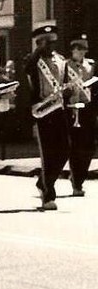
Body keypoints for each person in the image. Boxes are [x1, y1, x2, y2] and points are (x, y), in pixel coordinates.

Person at [25, 25, 69, 210]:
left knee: (65, 149)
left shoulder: (61, 61)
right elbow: (29, 85)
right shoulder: (34, 61)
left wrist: (68, 91)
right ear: (39, 43)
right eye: (46, 41)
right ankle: (49, 194)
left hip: (59, 110)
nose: (51, 45)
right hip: (43, 111)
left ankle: (44, 182)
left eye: (53, 41)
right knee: (48, 153)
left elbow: (64, 83)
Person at [64, 33, 96, 197]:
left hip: (87, 109)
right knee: (76, 147)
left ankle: (79, 176)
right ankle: (77, 182)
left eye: (84, 49)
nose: (82, 52)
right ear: (73, 50)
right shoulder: (65, 67)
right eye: (79, 49)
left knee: (89, 147)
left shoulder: (91, 66)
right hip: (72, 109)